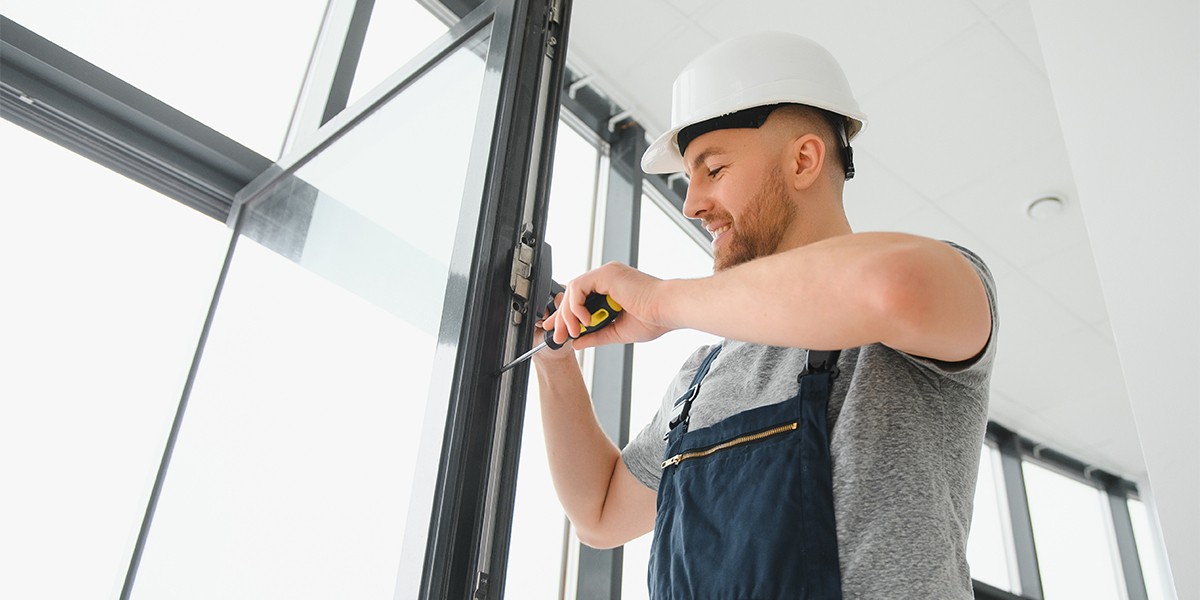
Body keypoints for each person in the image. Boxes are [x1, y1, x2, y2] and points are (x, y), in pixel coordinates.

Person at [533, 31, 997, 599]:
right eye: (687, 178)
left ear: (803, 160)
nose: (690, 203)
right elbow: (600, 514)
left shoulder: (931, 292)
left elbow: (891, 288)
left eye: (714, 169)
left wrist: (661, 301)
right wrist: (554, 360)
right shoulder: (702, 377)